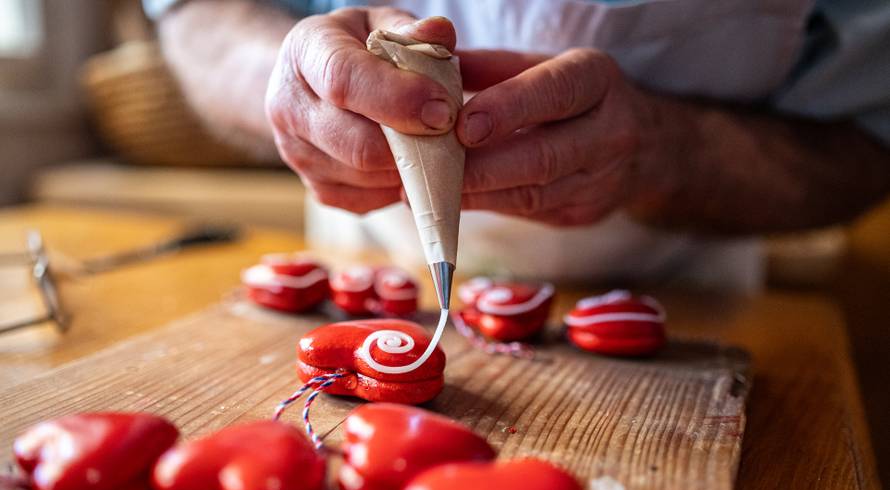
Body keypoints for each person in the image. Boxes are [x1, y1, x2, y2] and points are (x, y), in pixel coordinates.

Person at [145, 0, 890, 289]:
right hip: (368, 262)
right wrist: (280, 76)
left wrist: (665, 151)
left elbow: (871, 140)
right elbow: (195, 14)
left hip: (686, 285)